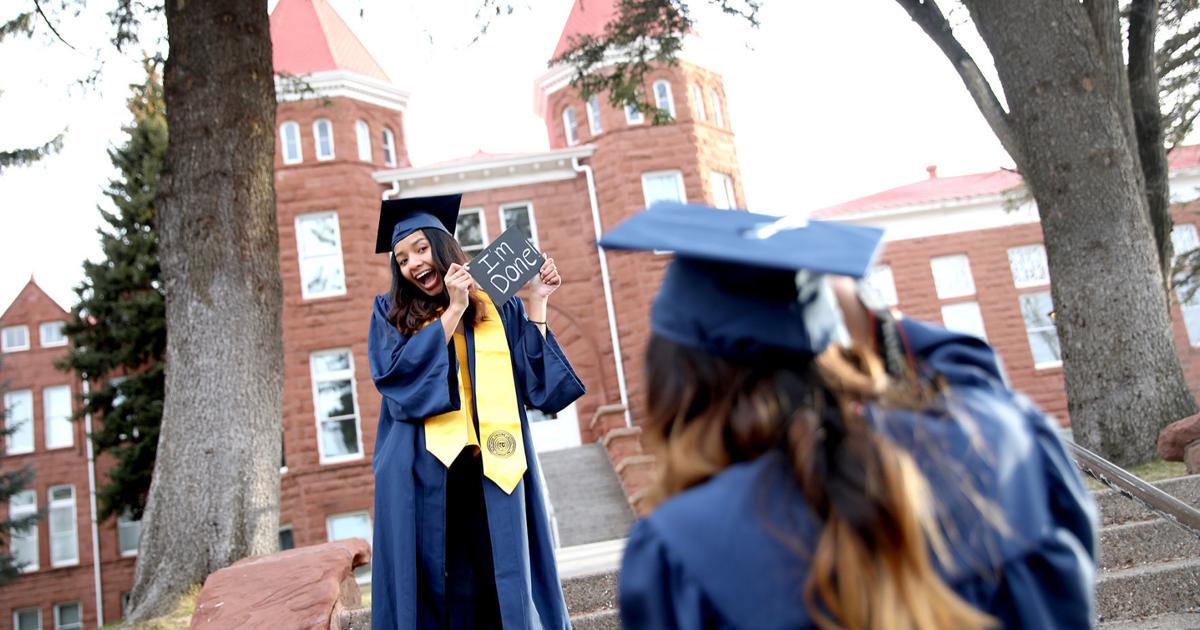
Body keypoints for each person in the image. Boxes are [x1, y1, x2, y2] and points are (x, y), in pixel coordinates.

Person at [598, 203, 1098, 629]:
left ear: (673, 385)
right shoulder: (998, 444)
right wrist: (866, 311)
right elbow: (972, 373)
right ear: (840, 349)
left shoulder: (685, 553)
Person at [367, 193, 586, 630]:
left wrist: (537, 300)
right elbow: (397, 381)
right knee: (435, 584)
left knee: (502, 578)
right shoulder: (390, 313)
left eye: (421, 249)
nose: (413, 264)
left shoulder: (497, 302)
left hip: (495, 462)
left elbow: (537, 386)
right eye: (402, 259)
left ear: (442, 246)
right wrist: (453, 310)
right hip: (423, 469)